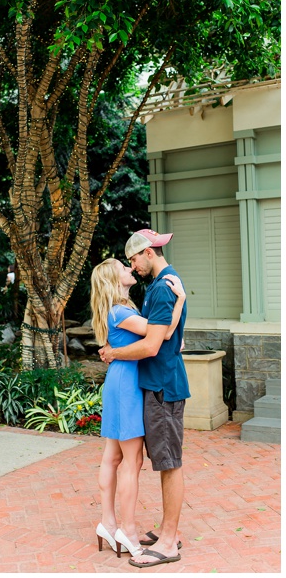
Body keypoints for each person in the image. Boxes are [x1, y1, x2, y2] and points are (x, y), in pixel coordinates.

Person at [99, 229, 189, 569]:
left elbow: (153, 344)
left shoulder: (163, 287)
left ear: (149, 253)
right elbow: (166, 336)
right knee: (162, 461)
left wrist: (112, 352)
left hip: (164, 386)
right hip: (156, 383)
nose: (133, 266)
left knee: (169, 463)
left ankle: (168, 541)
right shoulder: (160, 287)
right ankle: (165, 531)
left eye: (134, 259)